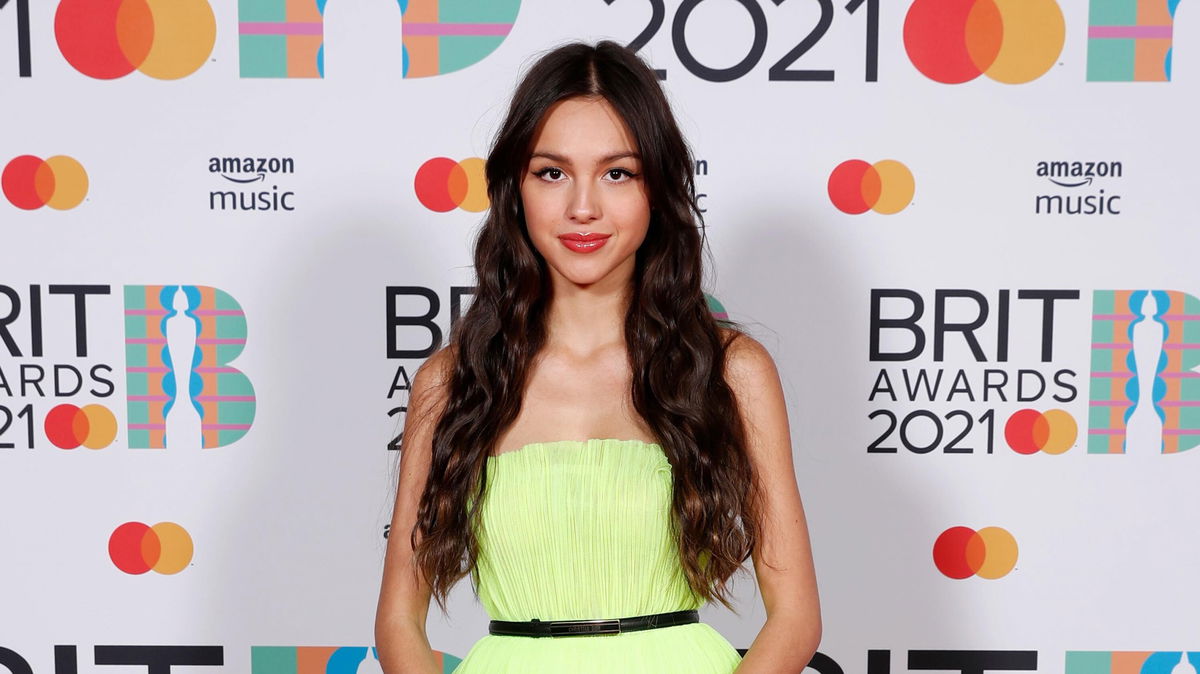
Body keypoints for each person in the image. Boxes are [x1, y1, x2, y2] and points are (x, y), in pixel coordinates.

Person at [375, 40, 820, 673]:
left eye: (618, 173)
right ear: (515, 188)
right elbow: (398, 620)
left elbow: (796, 615)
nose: (583, 206)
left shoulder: (730, 371)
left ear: (657, 189)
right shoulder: (452, 382)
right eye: (552, 172)